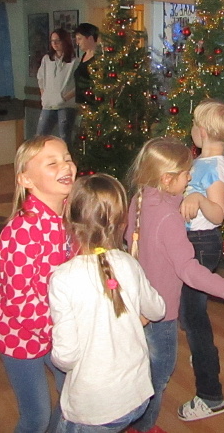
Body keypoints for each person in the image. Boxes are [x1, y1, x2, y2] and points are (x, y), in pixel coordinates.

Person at [124, 137, 224, 433]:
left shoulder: (140, 199)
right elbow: (188, 269)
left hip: (139, 302)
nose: (190, 178)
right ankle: (143, 426)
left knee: (141, 365)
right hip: (162, 312)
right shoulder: (169, 219)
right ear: (167, 179)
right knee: (159, 373)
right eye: (185, 174)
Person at [48, 174, 166, 433]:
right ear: (122, 222)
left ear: (68, 219)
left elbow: (65, 357)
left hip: (95, 409)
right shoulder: (129, 264)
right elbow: (158, 310)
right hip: (137, 395)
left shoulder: (63, 278)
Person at [0, 135, 77, 433]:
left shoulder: (71, 215)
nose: (65, 165)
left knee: (72, 397)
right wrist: (60, 332)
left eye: (67, 158)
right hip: (20, 337)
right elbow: (18, 301)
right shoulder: (22, 231)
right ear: (26, 179)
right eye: (52, 163)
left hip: (58, 328)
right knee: (36, 416)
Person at [176, 99, 224, 422]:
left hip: (201, 245)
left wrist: (199, 198)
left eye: (193, 124)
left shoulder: (213, 167)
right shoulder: (204, 160)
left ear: (201, 131)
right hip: (194, 243)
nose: (191, 129)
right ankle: (202, 352)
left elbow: (218, 214)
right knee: (189, 310)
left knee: (194, 317)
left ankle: (211, 395)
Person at [36, 28, 79, 143]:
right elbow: (41, 78)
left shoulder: (74, 62)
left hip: (66, 105)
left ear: (65, 41)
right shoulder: (47, 59)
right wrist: (44, 95)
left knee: (64, 138)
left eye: (57, 40)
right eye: (52, 41)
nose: (54, 43)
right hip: (48, 104)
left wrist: (63, 98)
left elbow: (79, 85)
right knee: (40, 137)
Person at [73, 23, 99, 107]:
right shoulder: (84, 56)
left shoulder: (99, 58)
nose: (77, 43)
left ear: (90, 38)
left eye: (80, 39)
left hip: (93, 105)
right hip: (82, 104)